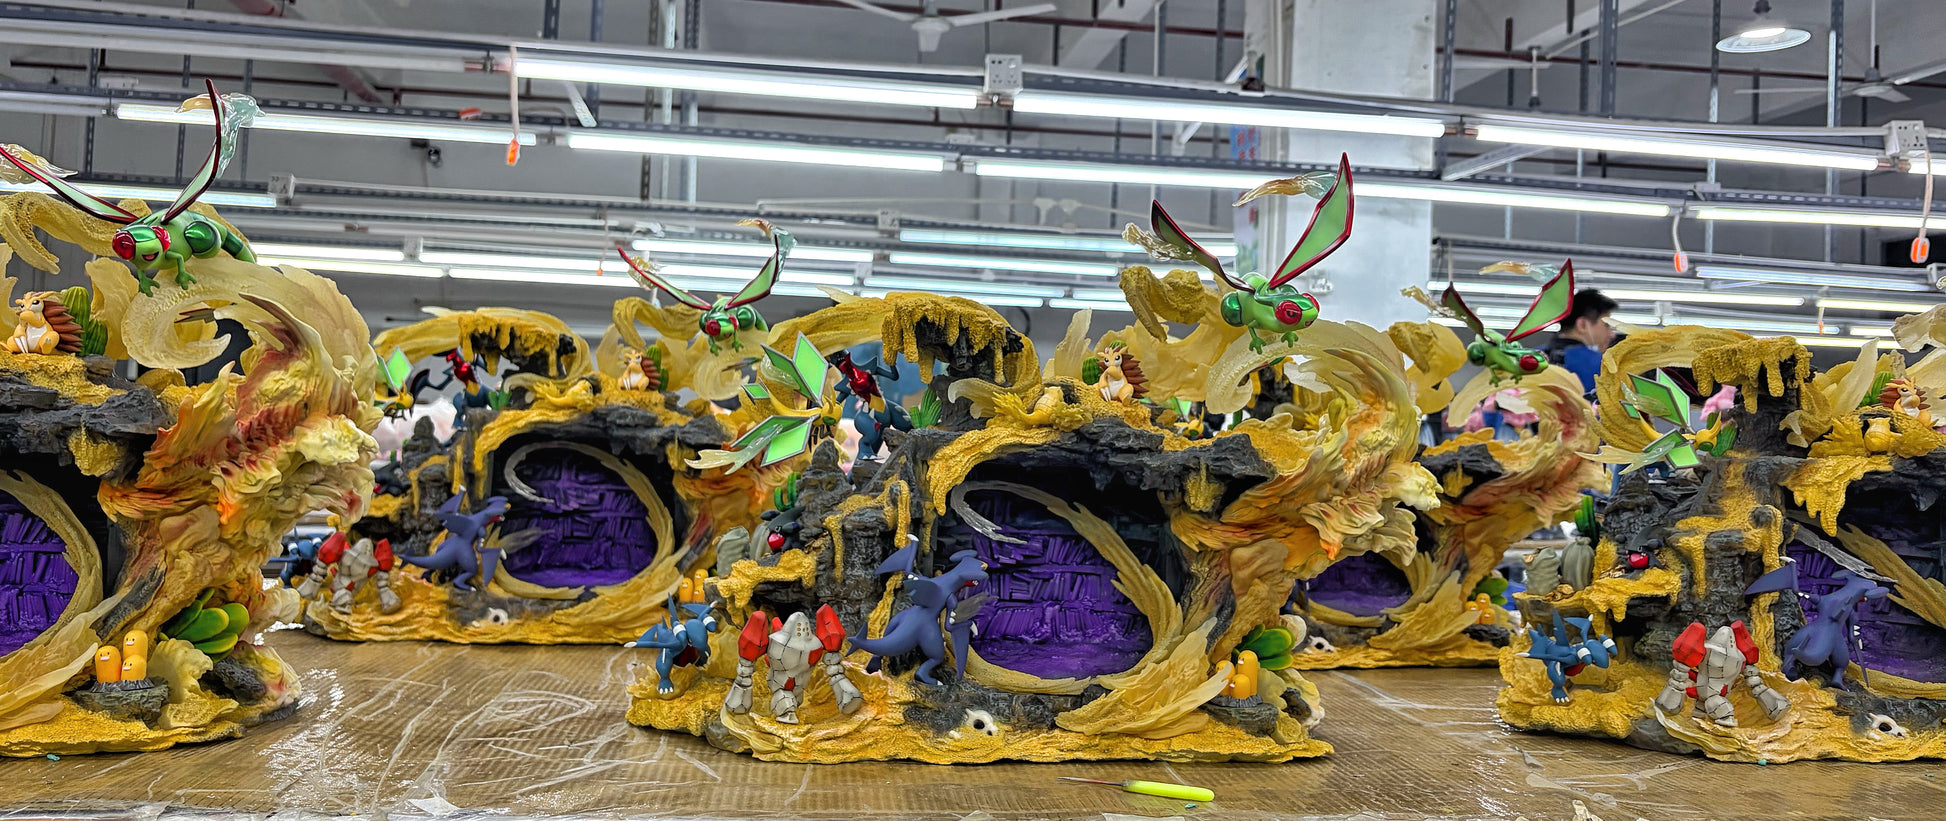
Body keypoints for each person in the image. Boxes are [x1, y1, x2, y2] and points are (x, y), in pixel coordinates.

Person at [1542, 289, 1618, 395]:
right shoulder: (1603, 366)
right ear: (1582, 325)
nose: (1612, 334)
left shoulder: (1528, 358)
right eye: (1606, 325)